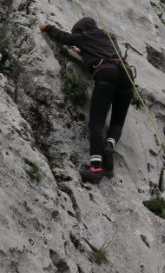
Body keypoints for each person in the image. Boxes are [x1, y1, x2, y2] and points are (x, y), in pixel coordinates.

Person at [39, 17, 135, 184]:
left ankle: (96, 169)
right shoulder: (110, 36)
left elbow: (63, 37)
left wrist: (47, 27)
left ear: (81, 30)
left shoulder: (84, 37)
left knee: (96, 124)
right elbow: (102, 50)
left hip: (107, 75)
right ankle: (109, 146)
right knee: (118, 122)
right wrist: (84, 52)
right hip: (126, 75)